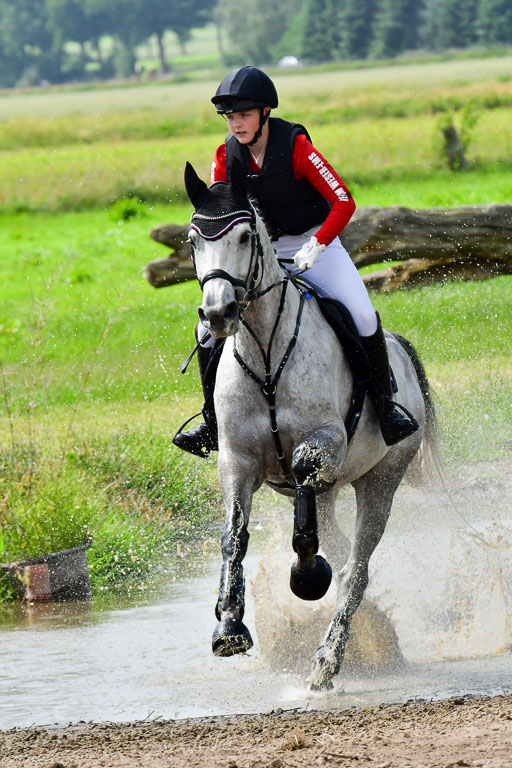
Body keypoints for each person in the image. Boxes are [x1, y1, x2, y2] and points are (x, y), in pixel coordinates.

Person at [173, 66, 419, 458]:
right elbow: (224, 209)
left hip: (312, 245)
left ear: (265, 113)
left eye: (244, 115)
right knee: (206, 330)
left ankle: (387, 409)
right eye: (230, 117)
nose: (236, 124)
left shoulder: (297, 146)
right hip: (258, 252)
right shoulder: (226, 154)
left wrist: (318, 244)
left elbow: (344, 201)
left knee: (363, 315)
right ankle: (212, 422)